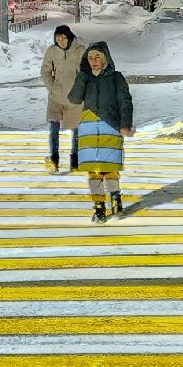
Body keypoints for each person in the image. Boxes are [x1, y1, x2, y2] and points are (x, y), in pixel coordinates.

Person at [67, 41, 133, 223]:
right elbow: (73, 98)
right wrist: (81, 77)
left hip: (109, 127)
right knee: (94, 171)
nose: (94, 61)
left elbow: (125, 101)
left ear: (105, 59)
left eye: (97, 57)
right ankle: (99, 207)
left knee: (109, 168)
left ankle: (115, 196)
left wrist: (125, 124)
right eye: (90, 58)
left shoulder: (116, 78)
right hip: (88, 129)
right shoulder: (85, 78)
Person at [38, 24, 86, 174]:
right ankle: (54, 160)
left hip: (75, 98)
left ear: (69, 37)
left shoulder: (80, 51)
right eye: (58, 39)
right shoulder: (52, 52)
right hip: (56, 98)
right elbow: (45, 71)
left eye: (64, 38)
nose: (61, 41)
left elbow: (86, 73)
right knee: (53, 128)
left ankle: (75, 161)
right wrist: (52, 87)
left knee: (77, 130)